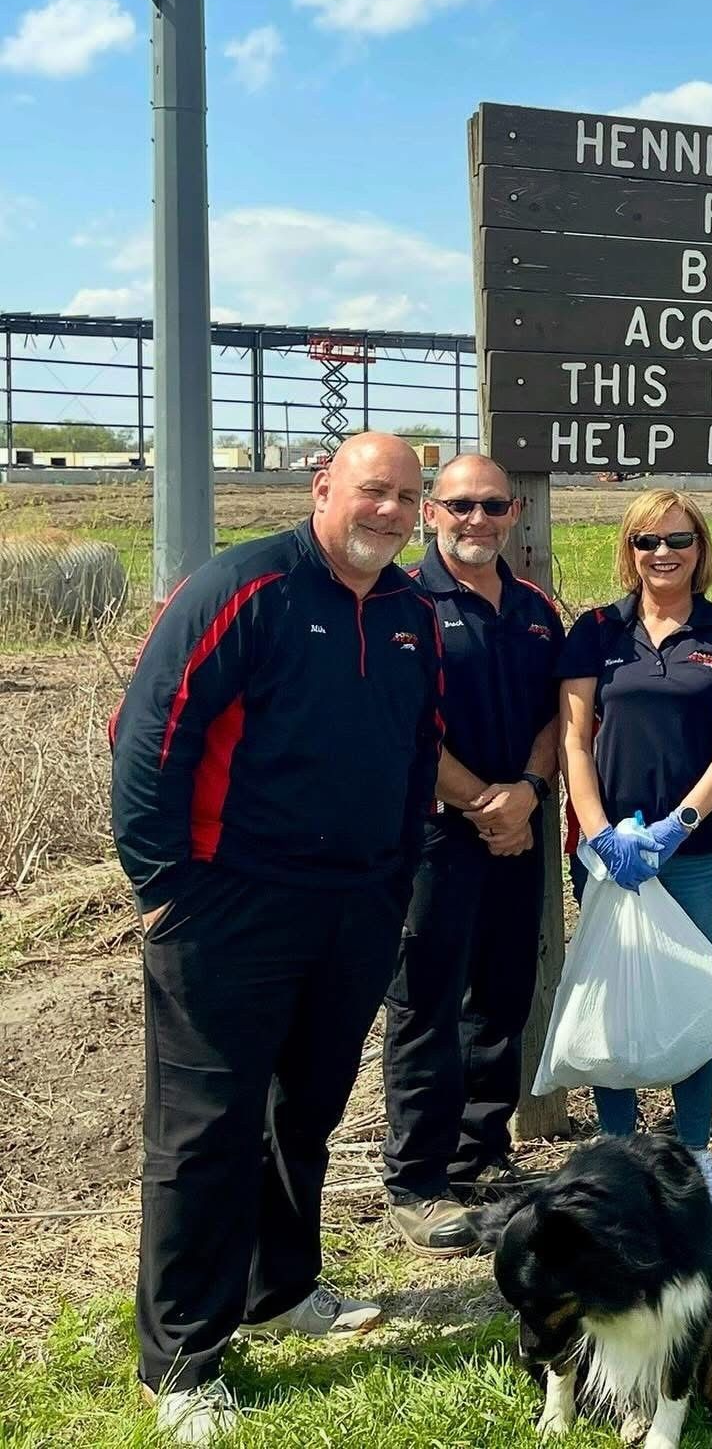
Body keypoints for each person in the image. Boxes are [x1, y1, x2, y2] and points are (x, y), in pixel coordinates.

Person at [109, 434, 443, 1445]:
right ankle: (181, 1358)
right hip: (228, 905)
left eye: (405, 497)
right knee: (205, 1131)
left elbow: (416, 745)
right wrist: (165, 887)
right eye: (371, 491)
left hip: (356, 903)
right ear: (323, 491)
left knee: (307, 1109)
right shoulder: (243, 587)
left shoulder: (410, 612)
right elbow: (149, 734)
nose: (388, 511)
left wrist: (398, 873)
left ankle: (281, 1287)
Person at [558, 489, 712, 1224]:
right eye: (647, 542)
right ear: (630, 549)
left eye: (677, 540)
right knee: (612, 1003)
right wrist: (597, 832)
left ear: (699, 546)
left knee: (687, 999)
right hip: (605, 855)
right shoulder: (594, 630)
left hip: (689, 850)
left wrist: (678, 825)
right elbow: (573, 739)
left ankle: (696, 1154)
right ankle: (618, 1160)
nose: (663, 554)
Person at [381, 455, 562, 1255]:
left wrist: (525, 790)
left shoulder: (532, 608)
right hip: (433, 838)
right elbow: (409, 726)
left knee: (502, 988)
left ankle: (480, 1153)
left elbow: (562, 712)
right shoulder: (400, 603)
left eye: (492, 506)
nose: (476, 520)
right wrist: (482, 804)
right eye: (460, 506)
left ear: (513, 512)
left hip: (518, 826)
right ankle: (417, 1180)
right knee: (427, 1003)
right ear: (431, 513)